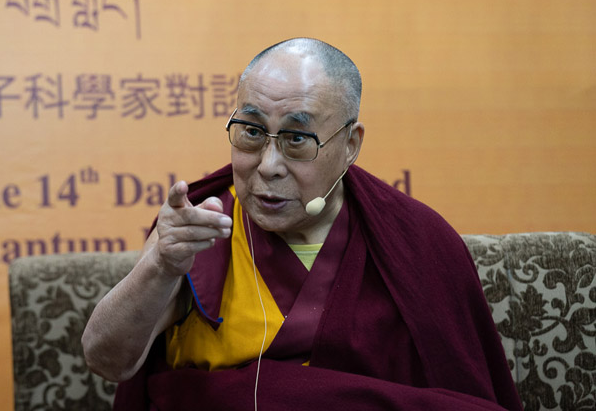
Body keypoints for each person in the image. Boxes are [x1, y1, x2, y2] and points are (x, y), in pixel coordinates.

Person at [82, 38, 523, 410]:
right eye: (251, 132)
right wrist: (159, 265)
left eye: (297, 139)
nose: (268, 166)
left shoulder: (417, 240)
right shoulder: (200, 227)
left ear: (350, 144)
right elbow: (107, 360)